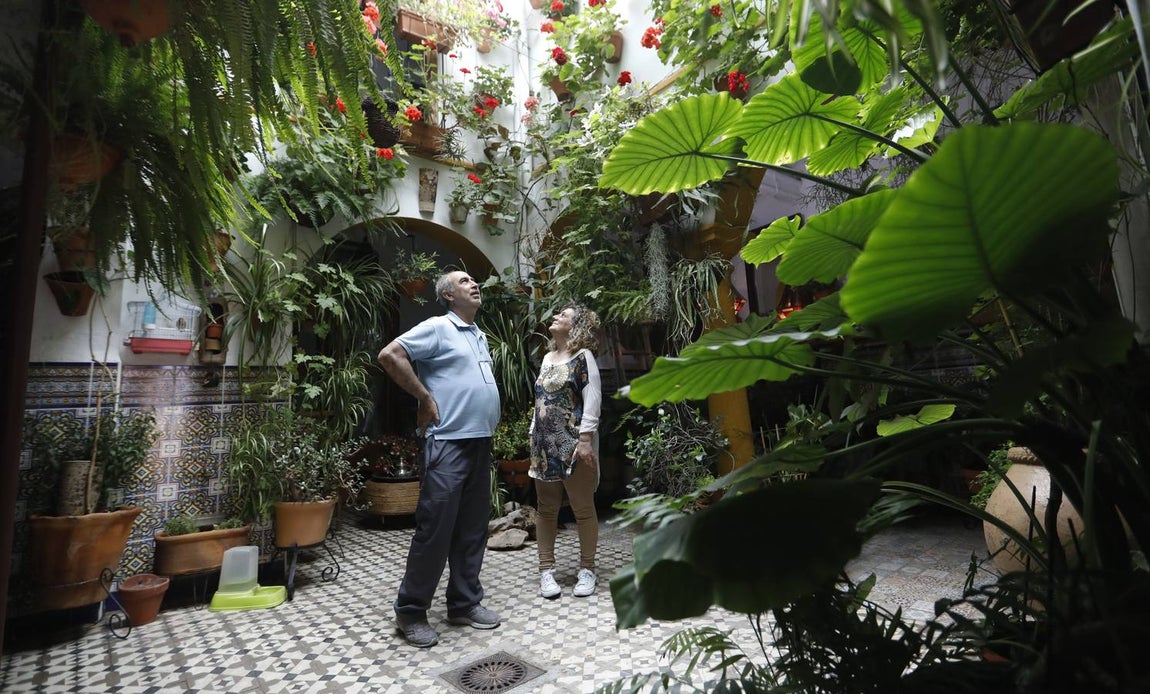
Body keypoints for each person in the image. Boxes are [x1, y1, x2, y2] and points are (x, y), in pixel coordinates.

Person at [377, 270, 501, 648]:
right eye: (464, 281)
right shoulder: (437, 327)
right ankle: (411, 611)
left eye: (473, 281)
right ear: (448, 295)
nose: (474, 284)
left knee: (472, 529)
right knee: (435, 530)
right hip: (447, 442)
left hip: (480, 442)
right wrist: (425, 398)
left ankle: (463, 603)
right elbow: (390, 355)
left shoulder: (478, 335)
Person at [530, 302, 602, 599]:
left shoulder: (583, 357)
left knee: (582, 508)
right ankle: (546, 571)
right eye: (557, 313)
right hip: (544, 446)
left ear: (576, 327)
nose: (556, 316)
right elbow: (541, 403)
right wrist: (533, 435)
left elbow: (593, 398)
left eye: (564, 315)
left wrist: (585, 441)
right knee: (546, 510)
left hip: (573, 444)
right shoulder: (547, 358)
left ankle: (587, 569)